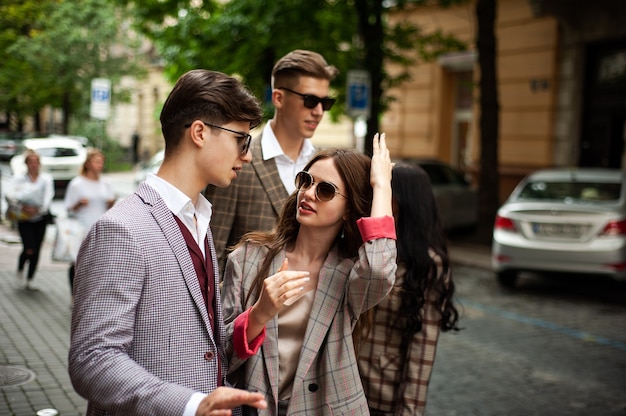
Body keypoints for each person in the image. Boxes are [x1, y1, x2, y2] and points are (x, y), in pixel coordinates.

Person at [68, 69, 268, 416]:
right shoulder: (121, 230)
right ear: (200, 132)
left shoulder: (200, 221)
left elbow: (199, 345)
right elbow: (92, 360)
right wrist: (191, 405)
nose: (247, 155)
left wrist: (258, 316)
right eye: (242, 139)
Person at [222, 133, 397, 415]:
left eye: (326, 190)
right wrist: (259, 313)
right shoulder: (248, 257)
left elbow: (379, 268)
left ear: (348, 209)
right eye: (306, 180)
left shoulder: (349, 274)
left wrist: (382, 186)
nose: (308, 193)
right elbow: (220, 352)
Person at [204, 49, 339, 273]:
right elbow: (213, 256)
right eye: (310, 100)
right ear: (278, 98)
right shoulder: (238, 162)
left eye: (325, 103)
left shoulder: (326, 167)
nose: (318, 112)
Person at [356, 162, 461, 416]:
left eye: (386, 191)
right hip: (345, 385)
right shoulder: (371, 246)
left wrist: (409, 411)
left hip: (382, 395)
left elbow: (422, 349)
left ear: (405, 201)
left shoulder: (428, 264)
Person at [64, 148, 116, 296]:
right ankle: (74, 295)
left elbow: (110, 207)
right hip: (81, 228)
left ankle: (90, 295)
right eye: (97, 161)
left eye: (102, 162)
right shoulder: (77, 184)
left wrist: (111, 203)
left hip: (100, 229)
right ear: (87, 164)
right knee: (77, 263)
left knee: (97, 263)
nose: (100, 164)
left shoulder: (105, 183)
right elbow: (68, 208)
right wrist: (79, 204)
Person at [7, 149, 55, 290]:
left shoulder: (46, 179)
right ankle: (21, 268)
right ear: (26, 164)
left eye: (36, 162)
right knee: (29, 247)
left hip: (40, 218)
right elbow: (10, 195)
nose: (34, 165)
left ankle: (30, 278)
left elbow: (48, 197)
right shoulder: (18, 179)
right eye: (31, 162)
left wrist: (38, 209)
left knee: (37, 249)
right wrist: (22, 207)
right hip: (24, 218)